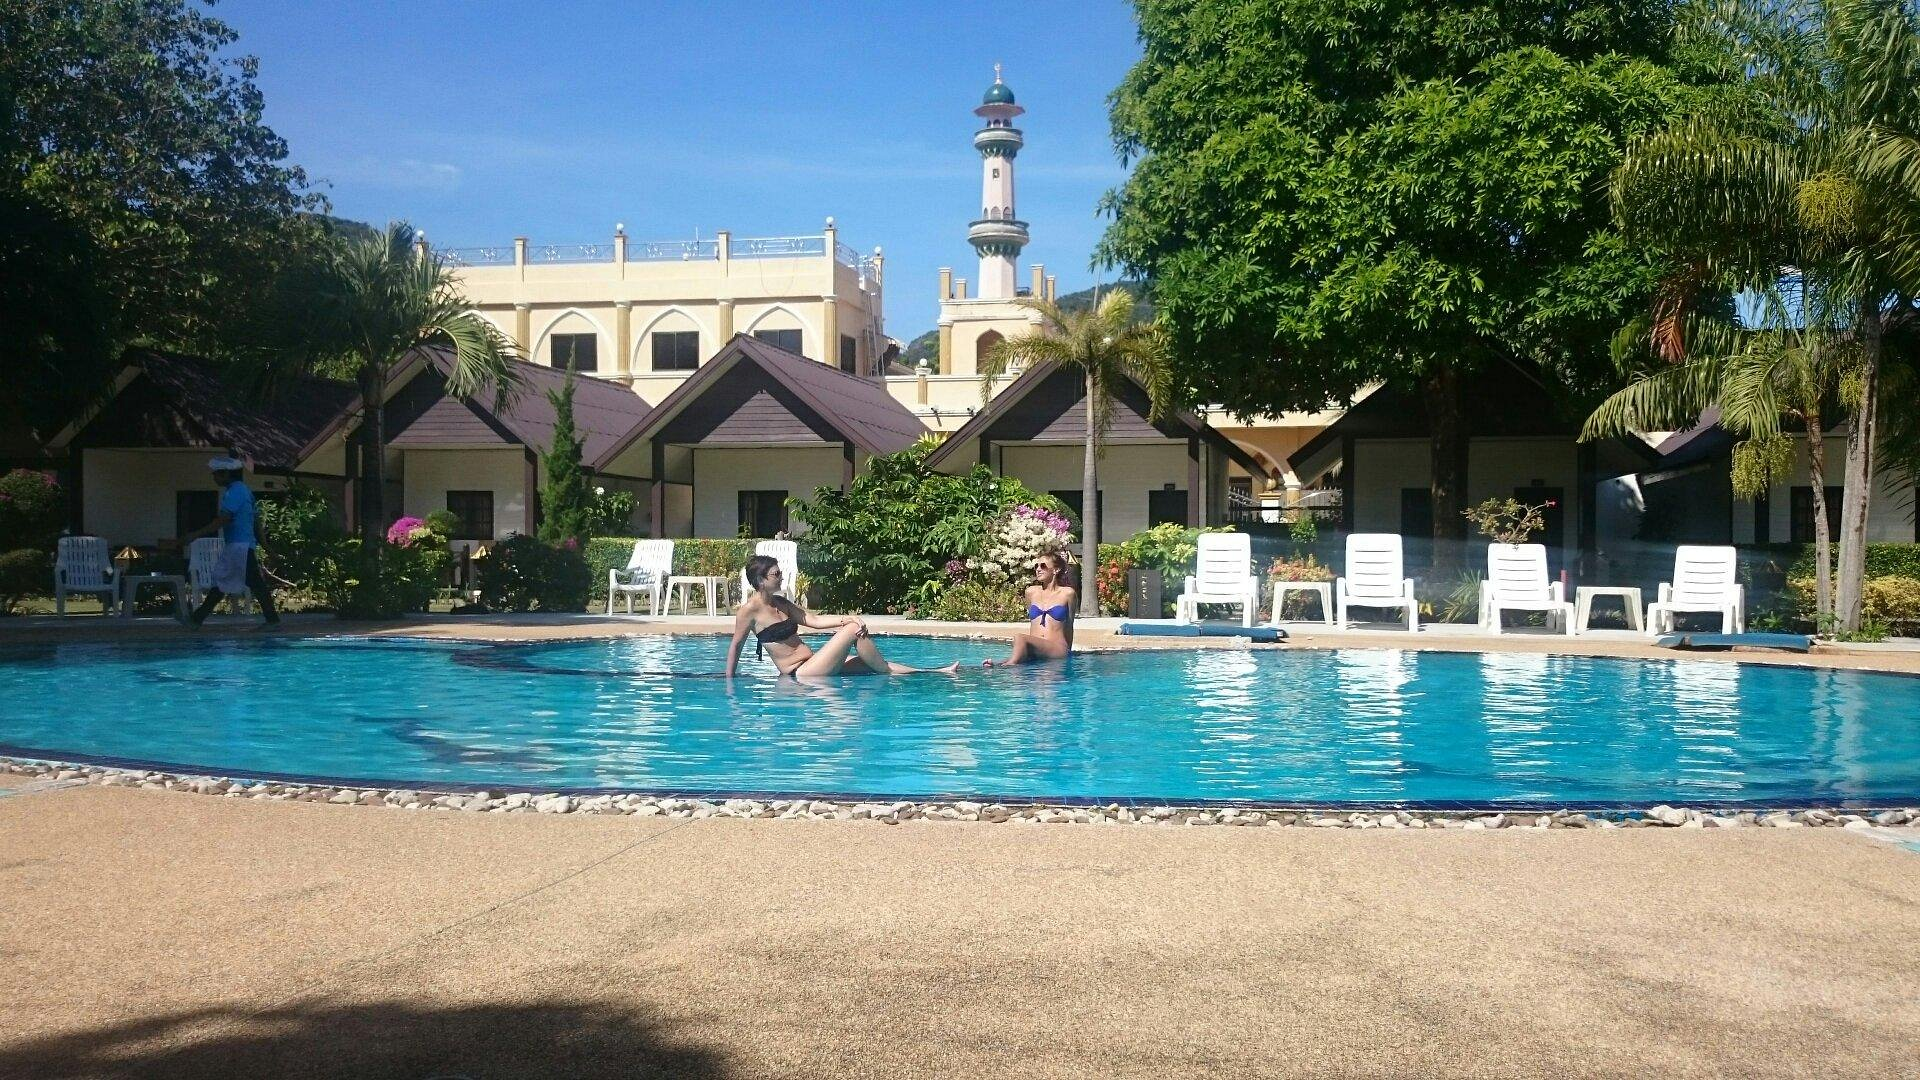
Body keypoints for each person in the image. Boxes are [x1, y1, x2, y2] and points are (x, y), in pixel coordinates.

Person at [726, 555, 956, 678]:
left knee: (870, 664)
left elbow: (813, 621)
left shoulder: (781, 603)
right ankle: (894, 672)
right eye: (776, 574)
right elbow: (736, 646)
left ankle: (934, 673)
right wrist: (730, 681)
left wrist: (847, 618)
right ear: (760, 581)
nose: (781, 577)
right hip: (800, 673)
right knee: (853, 632)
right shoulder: (748, 611)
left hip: (813, 662)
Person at [182, 456, 279, 629]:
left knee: (235, 583)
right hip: (242, 546)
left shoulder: (234, 492)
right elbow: (255, 520)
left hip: (238, 547)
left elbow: (224, 519)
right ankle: (197, 619)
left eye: (216, 475)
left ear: (226, 474)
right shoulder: (245, 491)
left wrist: (196, 534)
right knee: (224, 582)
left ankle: (272, 621)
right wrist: (265, 545)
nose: (214, 478)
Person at [986, 550, 1076, 667]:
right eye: (1036, 566)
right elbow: (1033, 623)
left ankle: (1010, 666)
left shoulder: (1067, 593)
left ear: (1056, 570)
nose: (1038, 569)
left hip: (1057, 648)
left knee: (1019, 638)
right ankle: (969, 670)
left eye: (1043, 566)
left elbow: (1069, 625)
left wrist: (1068, 653)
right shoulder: (1031, 592)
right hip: (1036, 648)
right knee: (997, 664)